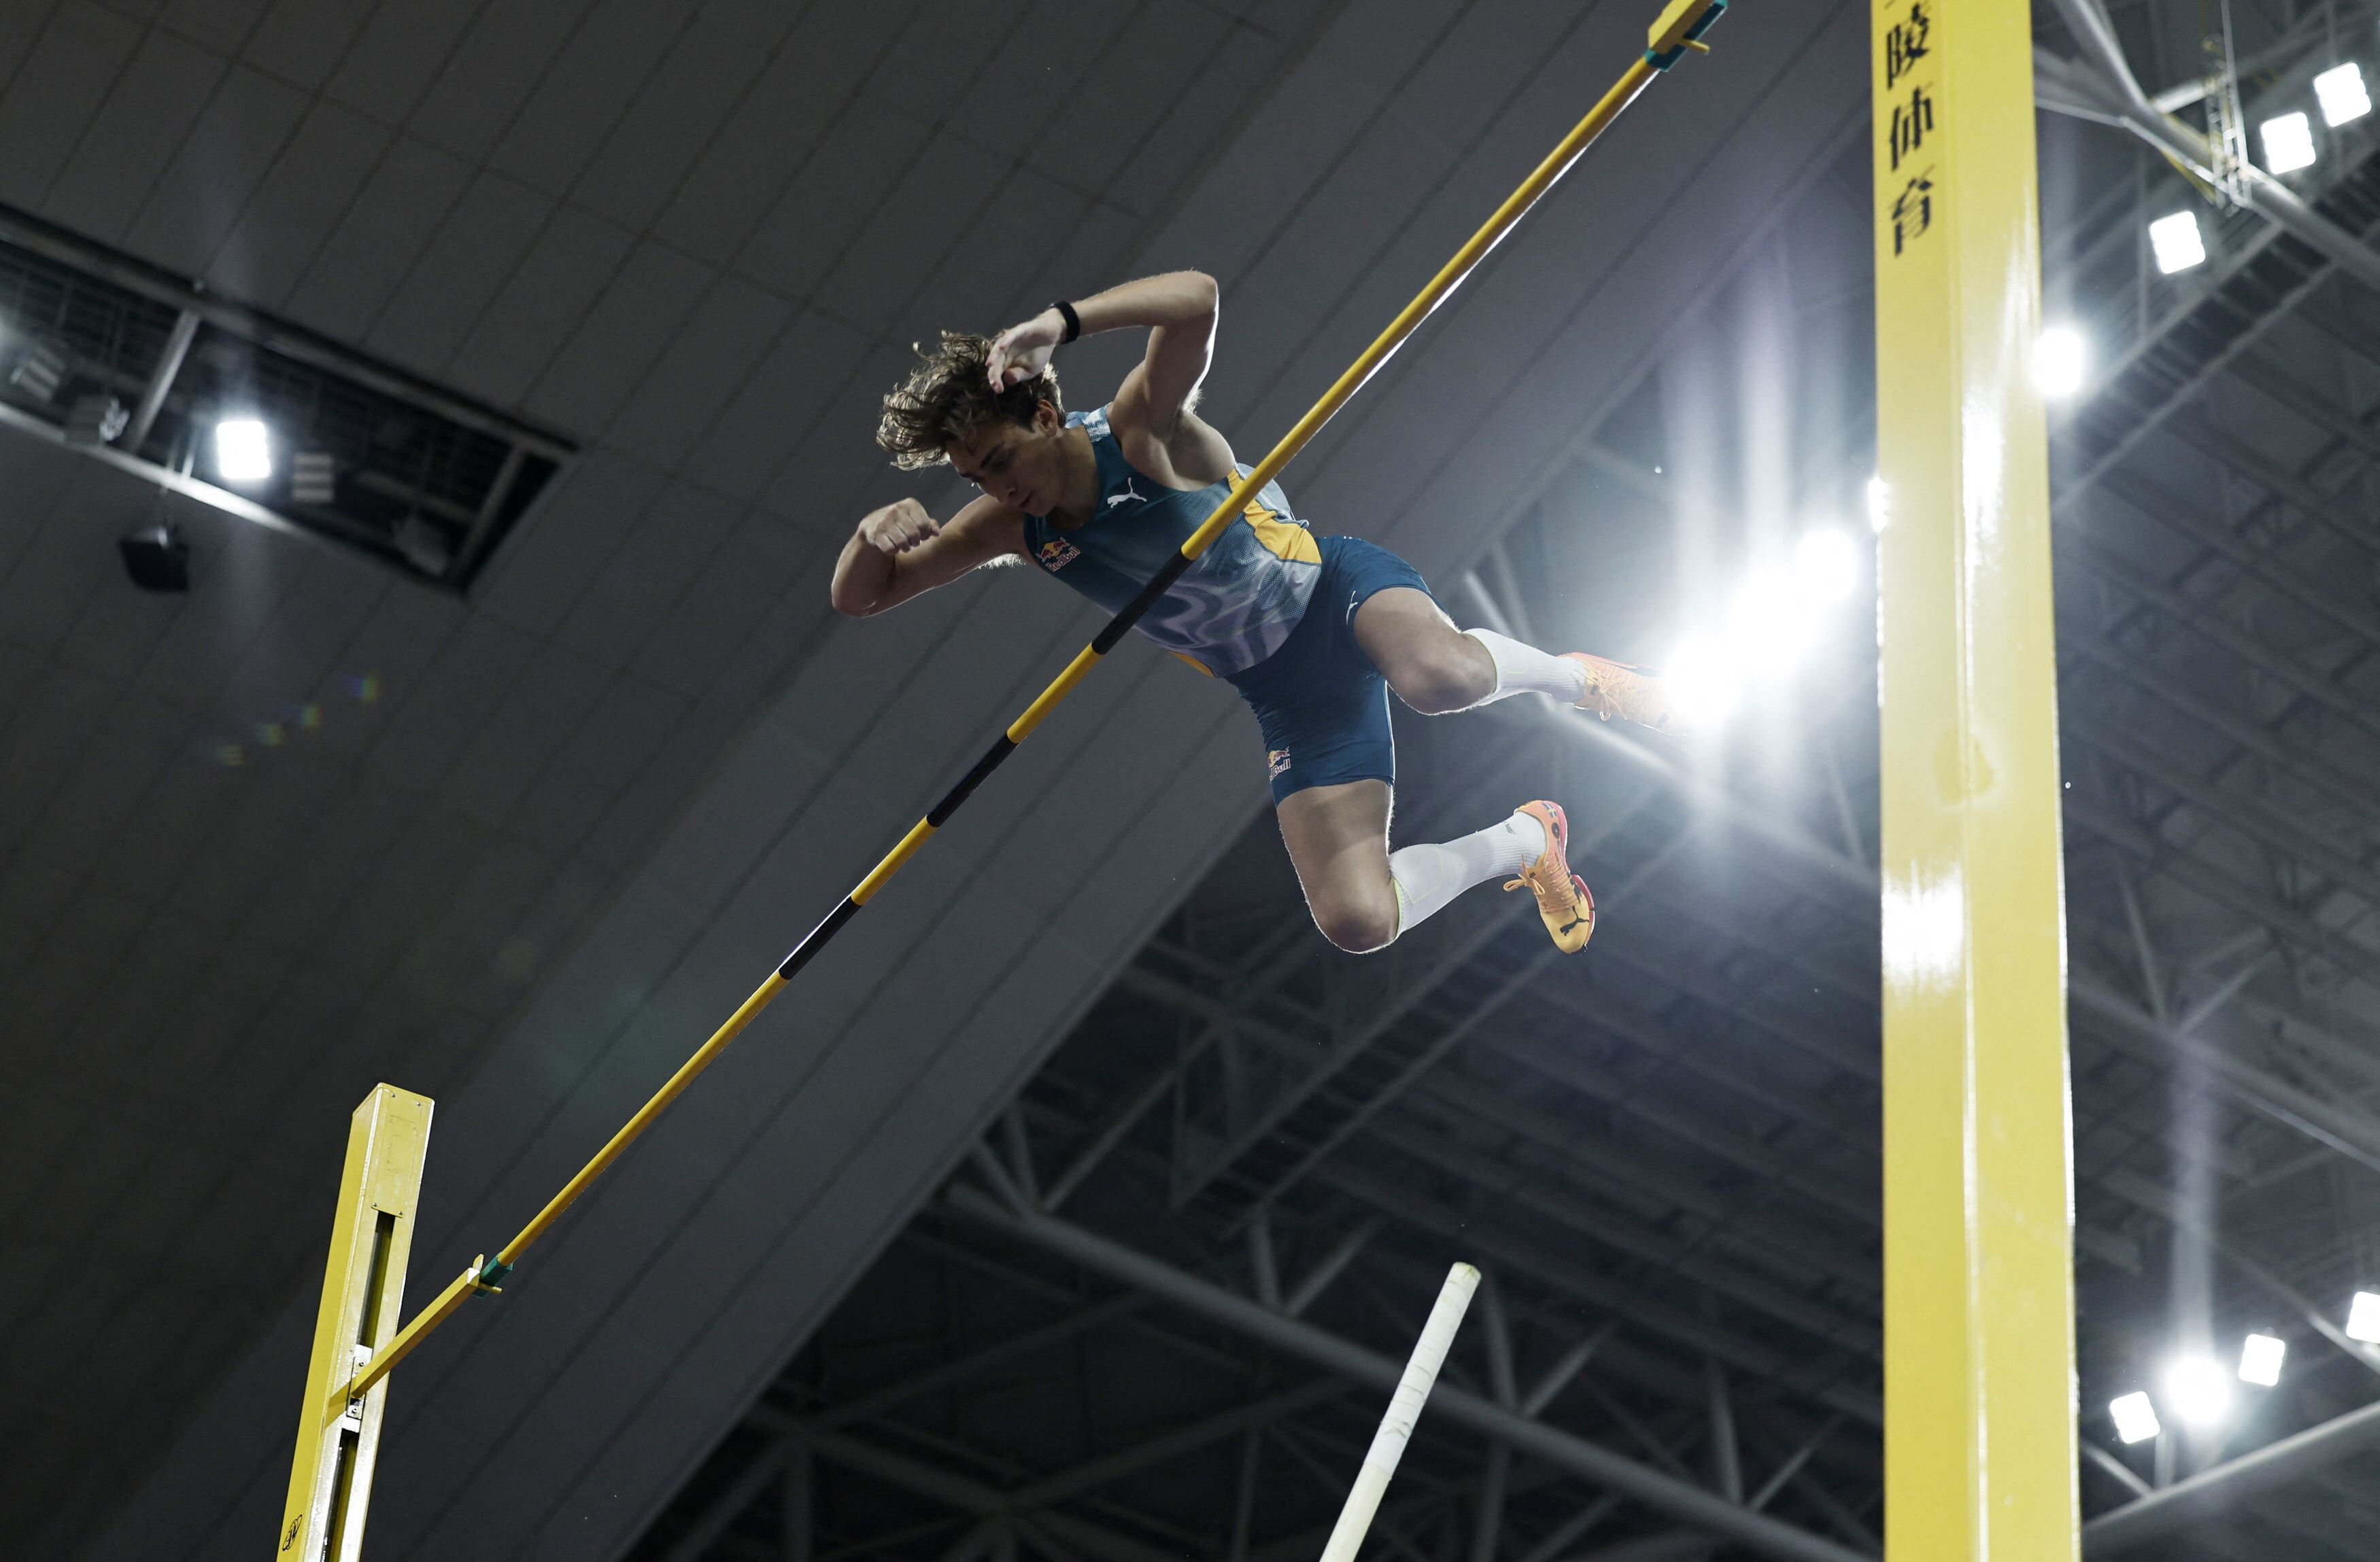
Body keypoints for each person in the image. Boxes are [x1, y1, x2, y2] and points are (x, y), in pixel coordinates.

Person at [830, 271, 1677, 954]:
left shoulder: (1137, 433)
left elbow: (1197, 296)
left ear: (1044, 414)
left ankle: (1582, 680)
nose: (994, 484)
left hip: (1335, 593)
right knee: (1357, 920)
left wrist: (1063, 320)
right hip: (1283, 692)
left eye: (999, 457)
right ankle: (1528, 843)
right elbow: (861, 595)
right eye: (974, 475)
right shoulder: (1012, 525)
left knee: (1440, 677)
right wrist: (871, 537)